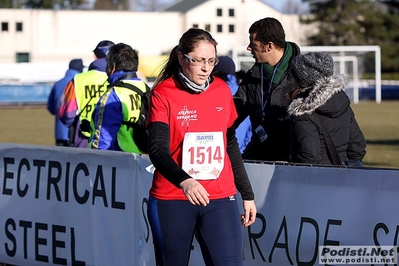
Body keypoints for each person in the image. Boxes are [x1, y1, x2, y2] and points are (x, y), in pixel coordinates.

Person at [146, 28, 257, 266]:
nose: (206, 68)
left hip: (219, 197)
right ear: (181, 58)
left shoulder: (221, 90)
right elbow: (157, 149)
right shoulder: (163, 94)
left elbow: (230, 144)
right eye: (198, 61)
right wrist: (185, 181)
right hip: (173, 197)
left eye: (211, 61)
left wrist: (247, 194)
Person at [234, 17, 301, 161]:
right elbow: (233, 113)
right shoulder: (253, 75)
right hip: (260, 151)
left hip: (293, 160)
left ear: (269, 46)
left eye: (253, 44)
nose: (248, 48)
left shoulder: (302, 75)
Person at [288, 52, 367, 165]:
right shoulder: (342, 102)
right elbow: (357, 146)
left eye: (294, 76)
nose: (292, 81)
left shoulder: (303, 112)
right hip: (345, 175)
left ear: (302, 79)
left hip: (318, 179)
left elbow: (309, 158)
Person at [90, 43, 149, 154]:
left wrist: (95, 161)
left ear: (113, 67)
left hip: (119, 162)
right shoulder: (146, 89)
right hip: (146, 162)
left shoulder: (113, 95)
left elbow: (103, 142)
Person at [58, 40, 115, 148]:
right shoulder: (119, 81)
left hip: (83, 138)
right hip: (113, 140)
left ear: (95, 56)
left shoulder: (78, 80)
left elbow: (66, 114)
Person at [212, 55, 252, 154]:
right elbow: (250, 128)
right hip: (240, 151)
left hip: (217, 151)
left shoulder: (214, 92)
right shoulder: (243, 93)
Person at [47, 58, 84, 146]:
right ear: (80, 69)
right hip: (75, 132)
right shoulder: (80, 82)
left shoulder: (58, 83)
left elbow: (50, 106)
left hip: (59, 132)